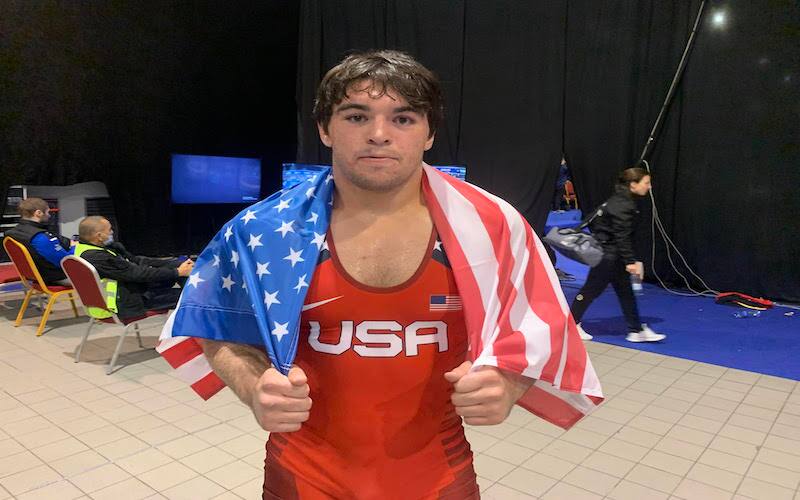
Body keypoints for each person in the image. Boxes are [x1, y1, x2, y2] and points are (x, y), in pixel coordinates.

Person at [165, 50, 600, 499]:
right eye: (356, 116)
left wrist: (510, 382)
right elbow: (211, 324)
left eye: (403, 119)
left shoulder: (494, 225)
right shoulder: (262, 230)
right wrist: (254, 386)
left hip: (439, 480)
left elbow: (541, 331)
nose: (378, 135)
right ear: (324, 128)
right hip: (303, 478)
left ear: (429, 133)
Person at [570, 167, 666, 343]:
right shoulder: (623, 205)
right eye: (646, 183)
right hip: (607, 257)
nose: (649, 187)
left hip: (613, 256)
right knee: (590, 290)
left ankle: (636, 330)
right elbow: (622, 237)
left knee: (625, 292)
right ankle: (570, 325)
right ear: (633, 184)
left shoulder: (621, 200)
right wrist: (630, 261)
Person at [75, 216, 193, 320]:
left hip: (130, 289)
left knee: (176, 266)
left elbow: (136, 261)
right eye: (110, 230)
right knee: (192, 297)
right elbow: (136, 273)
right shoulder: (97, 257)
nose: (112, 232)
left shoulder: (92, 248)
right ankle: (197, 332)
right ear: (99, 236)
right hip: (129, 301)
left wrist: (173, 263)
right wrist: (177, 272)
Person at [5, 197, 74, 285]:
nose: (49, 215)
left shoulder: (12, 233)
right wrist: (74, 249)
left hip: (34, 276)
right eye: (48, 212)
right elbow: (65, 262)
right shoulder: (40, 237)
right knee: (96, 273)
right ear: (38, 213)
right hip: (54, 277)